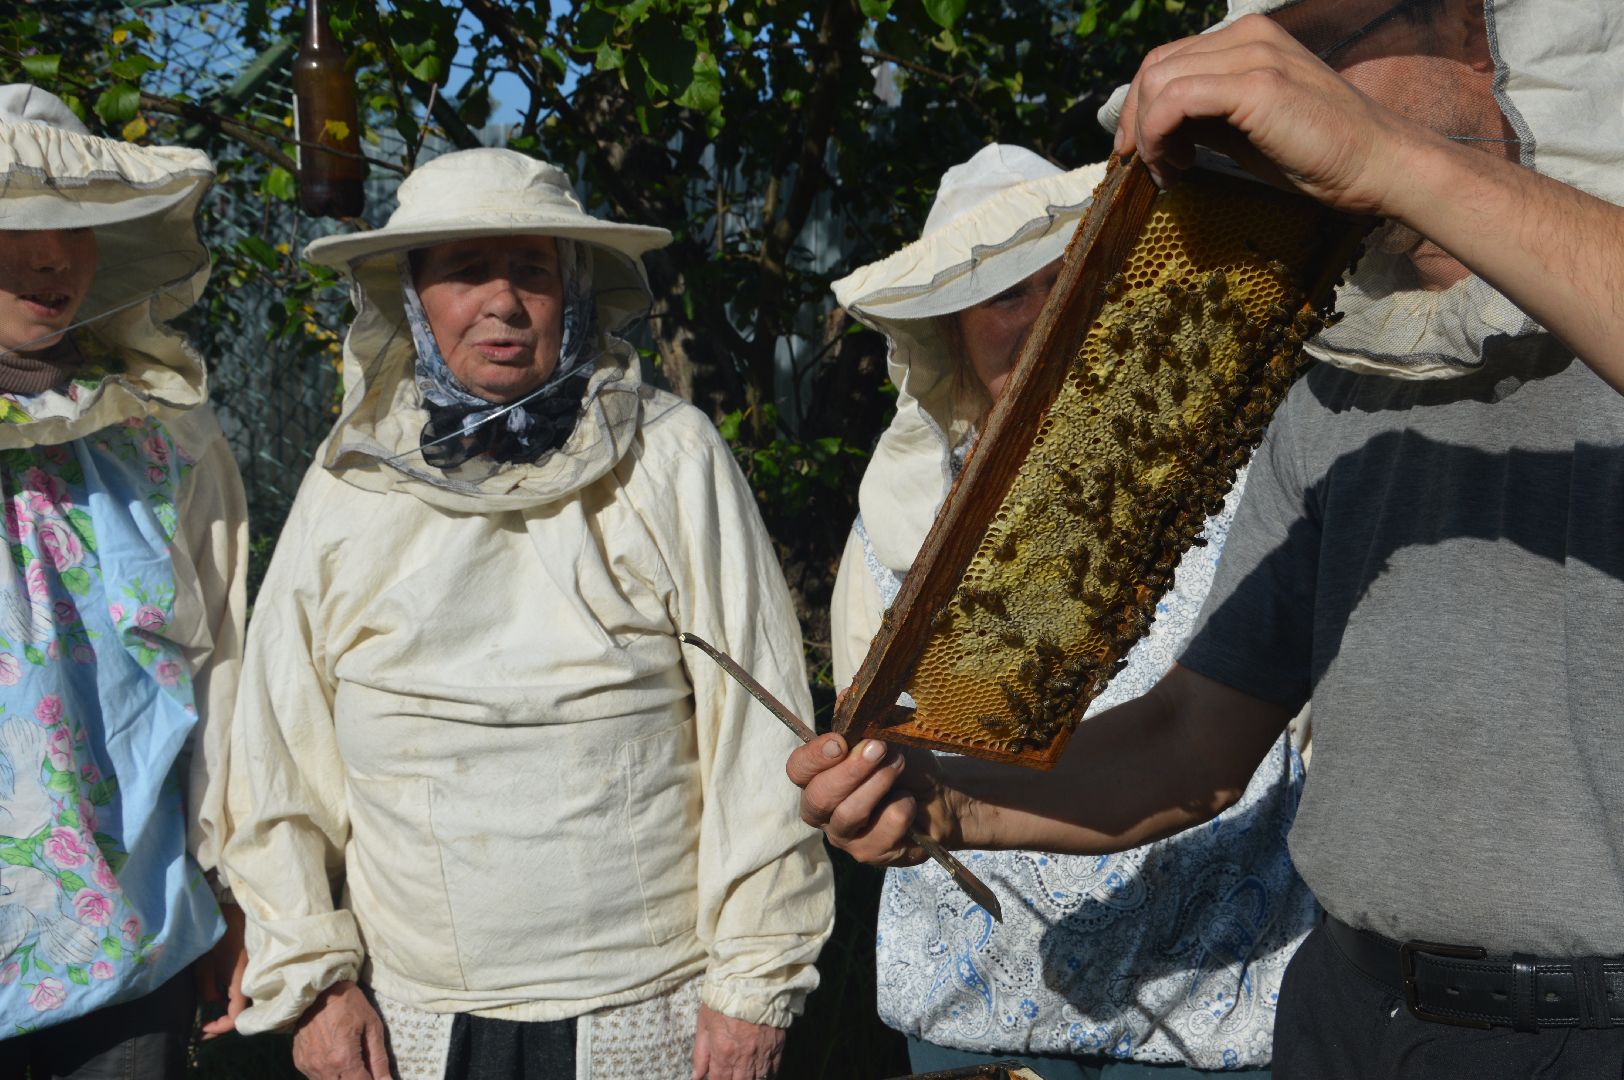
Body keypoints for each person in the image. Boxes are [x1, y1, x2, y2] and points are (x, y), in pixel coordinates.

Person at [789, 3, 1624, 1077]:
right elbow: (1192, 742)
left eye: (1329, 42)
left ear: (1479, 39)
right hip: (1353, 1019)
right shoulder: (1334, 387)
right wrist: (943, 797)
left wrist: (1379, 154)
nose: (1295, 86)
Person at [223, 147, 833, 1080]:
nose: (503, 302)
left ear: (574, 291)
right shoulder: (348, 482)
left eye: (532, 272)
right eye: (467, 270)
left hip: (648, 1005)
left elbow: (760, 731)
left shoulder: (670, 458)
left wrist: (755, 981)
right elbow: (277, 750)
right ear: (413, 297)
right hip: (412, 1013)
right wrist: (312, 979)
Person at [828, 143, 1315, 1076]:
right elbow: (873, 753)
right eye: (1006, 295)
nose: (1043, 315)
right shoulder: (892, 520)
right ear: (952, 329)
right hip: (973, 1020)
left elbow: (1295, 734)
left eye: (1064, 279)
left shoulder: (1236, 474)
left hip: (1212, 1011)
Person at [0, 85, 249, 1075]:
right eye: (18, 224)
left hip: (130, 950)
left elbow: (225, 671)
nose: (53, 257)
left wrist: (234, 891)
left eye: (76, 225)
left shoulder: (169, 437)